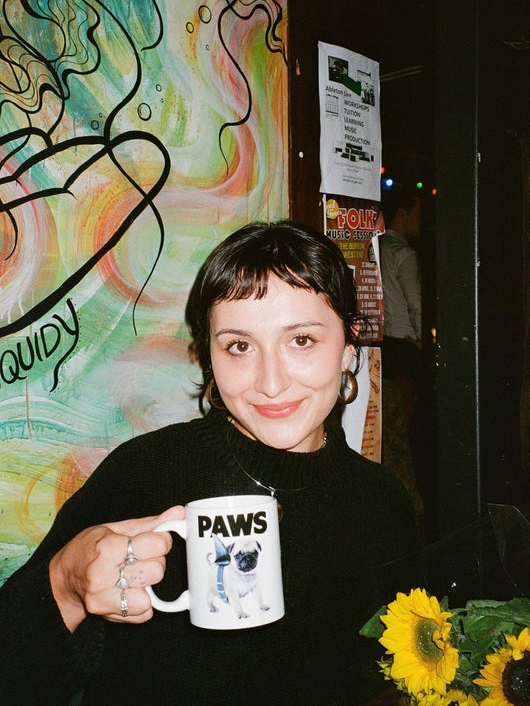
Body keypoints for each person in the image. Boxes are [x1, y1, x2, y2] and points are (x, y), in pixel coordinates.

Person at [0, 221, 421, 706]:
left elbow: (396, 682)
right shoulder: (144, 471)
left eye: (302, 340)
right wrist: (65, 584)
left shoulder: (381, 504)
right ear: (210, 357)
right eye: (240, 346)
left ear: (349, 348)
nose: (271, 382)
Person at [379, 185, 423, 428]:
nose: (420, 220)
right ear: (402, 214)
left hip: (383, 343)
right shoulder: (404, 254)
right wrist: (421, 342)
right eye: (417, 212)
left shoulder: (376, 247)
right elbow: (416, 303)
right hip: (406, 343)